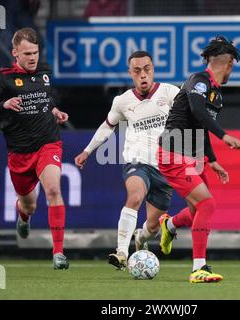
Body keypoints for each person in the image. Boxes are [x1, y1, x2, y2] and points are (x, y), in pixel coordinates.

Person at [74, 51, 179, 270]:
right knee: (134, 196)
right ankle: (122, 251)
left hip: (165, 168)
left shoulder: (170, 93)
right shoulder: (122, 101)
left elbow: (189, 115)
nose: (143, 75)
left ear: (153, 69)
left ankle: (140, 238)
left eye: (147, 69)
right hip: (137, 162)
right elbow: (107, 126)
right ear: (130, 73)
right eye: (137, 70)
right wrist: (87, 151)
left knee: (152, 226)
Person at [0, 27, 70, 270]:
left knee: (53, 190)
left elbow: (45, 99)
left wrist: (55, 112)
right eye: (27, 53)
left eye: (36, 52)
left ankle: (58, 253)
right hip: (19, 152)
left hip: (48, 142)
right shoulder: (3, 77)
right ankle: (23, 214)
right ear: (15, 53)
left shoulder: (44, 72)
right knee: (29, 204)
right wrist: (4, 103)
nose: (33, 58)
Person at [157, 36, 240, 283]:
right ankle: (198, 268)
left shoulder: (216, 93)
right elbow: (197, 111)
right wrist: (224, 135)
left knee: (197, 210)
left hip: (191, 153)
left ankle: (170, 225)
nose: (231, 73)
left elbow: (199, 126)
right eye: (231, 68)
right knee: (207, 205)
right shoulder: (199, 82)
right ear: (228, 65)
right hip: (173, 152)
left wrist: (212, 160)